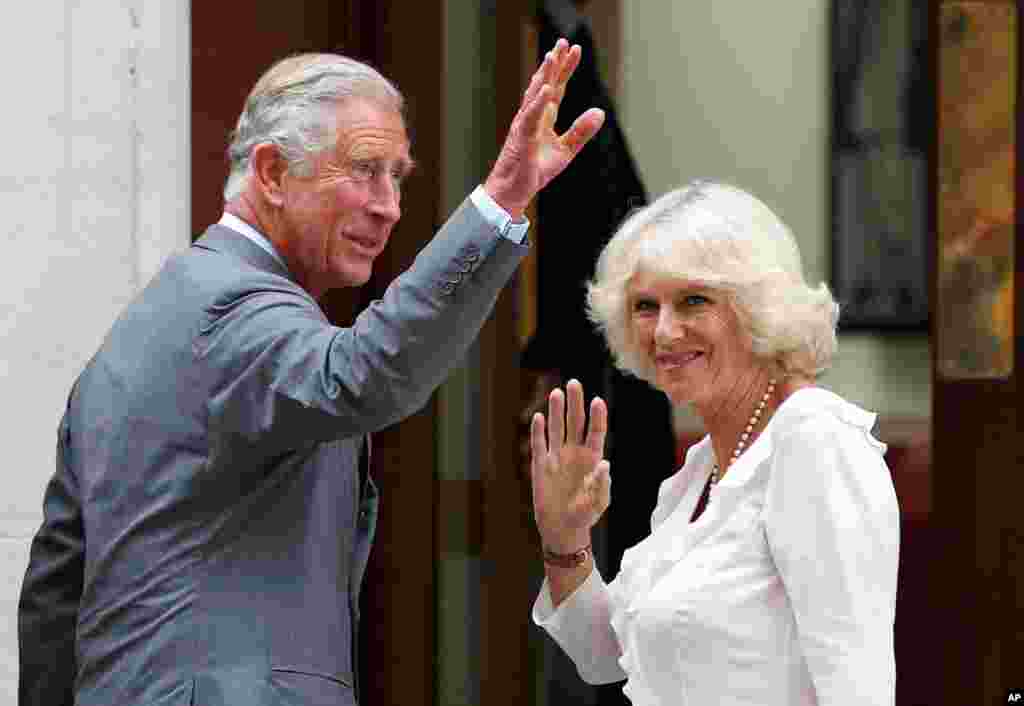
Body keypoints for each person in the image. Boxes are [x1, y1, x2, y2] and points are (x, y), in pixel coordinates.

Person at [18, 40, 604, 706]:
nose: (390, 206)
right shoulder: (232, 306)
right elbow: (366, 374)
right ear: (271, 173)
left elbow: (56, 593)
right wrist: (501, 202)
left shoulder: (134, 338)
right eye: (364, 170)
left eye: (398, 177)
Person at [528, 180, 899, 705]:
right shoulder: (699, 471)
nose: (664, 332)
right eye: (645, 306)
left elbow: (857, 690)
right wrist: (564, 538)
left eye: (693, 300)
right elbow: (607, 655)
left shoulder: (814, 441)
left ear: (755, 306)